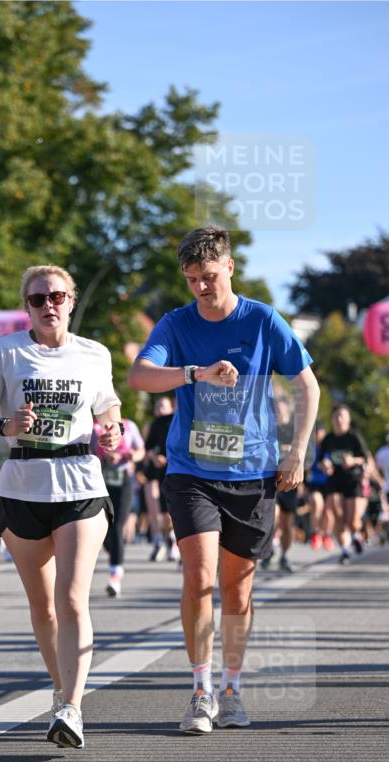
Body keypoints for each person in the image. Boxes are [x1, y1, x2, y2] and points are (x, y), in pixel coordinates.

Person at [128, 226, 320, 734]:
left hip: (254, 473)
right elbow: (139, 376)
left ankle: (232, 687)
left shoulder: (261, 320)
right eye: (191, 279)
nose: (201, 288)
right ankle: (200, 690)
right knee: (200, 577)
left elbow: (307, 384)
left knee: (237, 590)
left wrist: (296, 451)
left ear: (230, 268)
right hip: (192, 472)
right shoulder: (175, 324)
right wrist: (194, 373)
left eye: (208, 277)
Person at [0, 265, 122, 749]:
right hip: (23, 486)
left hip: (80, 483)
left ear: (71, 301)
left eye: (57, 296)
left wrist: (112, 427)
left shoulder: (95, 354)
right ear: (27, 306)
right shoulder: (6, 352)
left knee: (72, 599)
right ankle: (61, 690)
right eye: (37, 299)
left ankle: (72, 707)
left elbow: (107, 405)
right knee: (44, 607)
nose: (48, 305)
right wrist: (8, 425)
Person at [91, 417, 145, 596]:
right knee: (104, 529)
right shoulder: (93, 427)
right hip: (100, 481)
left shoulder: (129, 426)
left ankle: (115, 574)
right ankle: (113, 550)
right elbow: (86, 451)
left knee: (117, 525)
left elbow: (141, 450)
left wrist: (131, 456)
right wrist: (104, 456)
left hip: (123, 480)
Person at [320, 403, 371, 564]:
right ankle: (345, 551)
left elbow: (365, 458)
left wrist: (352, 460)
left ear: (348, 419)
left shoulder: (353, 437)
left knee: (353, 520)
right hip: (335, 479)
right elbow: (321, 459)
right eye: (336, 416)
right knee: (336, 513)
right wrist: (325, 465)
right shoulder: (328, 439)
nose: (339, 419)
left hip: (352, 478)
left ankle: (356, 535)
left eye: (343, 416)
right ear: (332, 419)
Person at [261, 397, 298, 573]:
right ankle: (269, 552)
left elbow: (305, 457)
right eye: (275, 409)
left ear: (288, 412)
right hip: (269, 479)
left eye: (281, 409)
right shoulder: (267, 428)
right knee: (271, 517)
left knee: (287, 521)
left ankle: (285, 555)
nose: (278, 412)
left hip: (289, 481)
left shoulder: (295, 431)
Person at [142, 396, 178, 561]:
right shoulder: (155, 424)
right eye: (157, 406)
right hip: (154, 470)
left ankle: (171, 539)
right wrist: (155, 457)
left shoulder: (178, 421)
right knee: (153, 506)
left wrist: (168, 459)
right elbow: (147, 447)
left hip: (171, 470)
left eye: (163, 406)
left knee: (168, 513)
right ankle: (158, 541)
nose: (160, 409)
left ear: (171, 407)